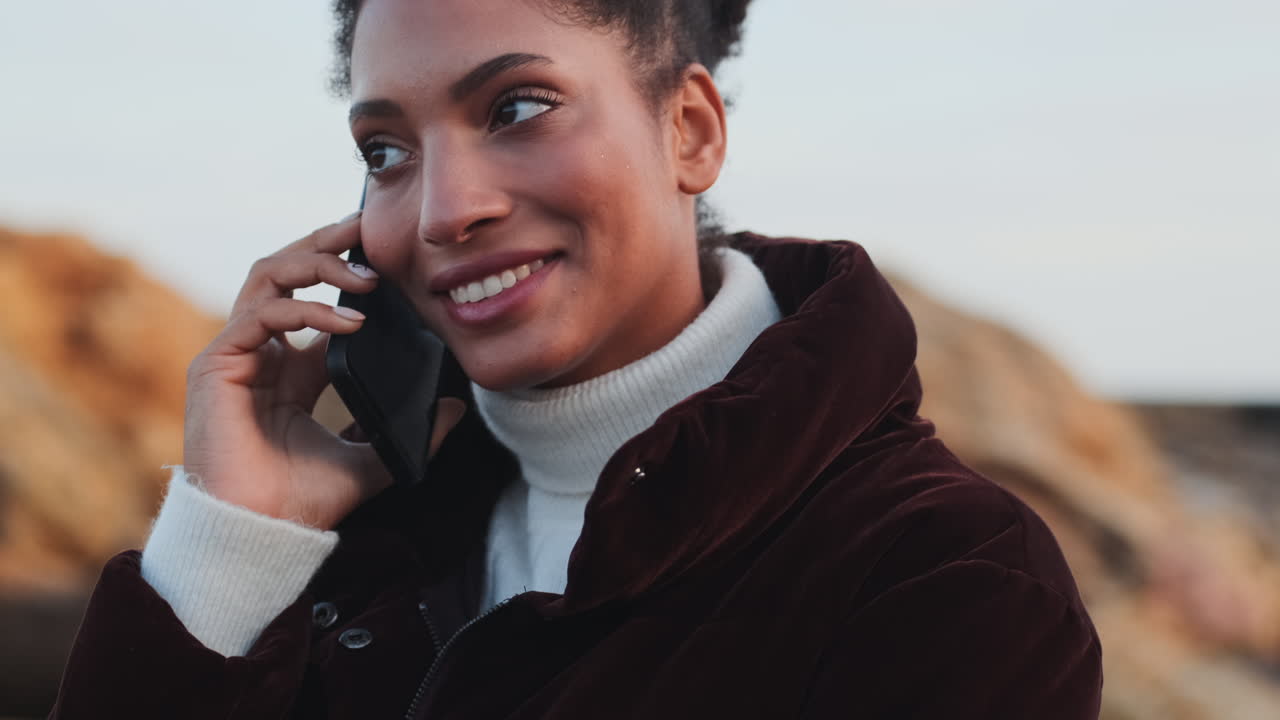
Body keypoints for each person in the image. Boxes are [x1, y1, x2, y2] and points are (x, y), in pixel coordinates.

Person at [51, 0, 1103, 717]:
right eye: (387, 152)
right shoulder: (361, 542)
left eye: (516, 108)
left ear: (690, 131)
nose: (444, 210)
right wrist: (229, 544)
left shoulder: (942, 574)